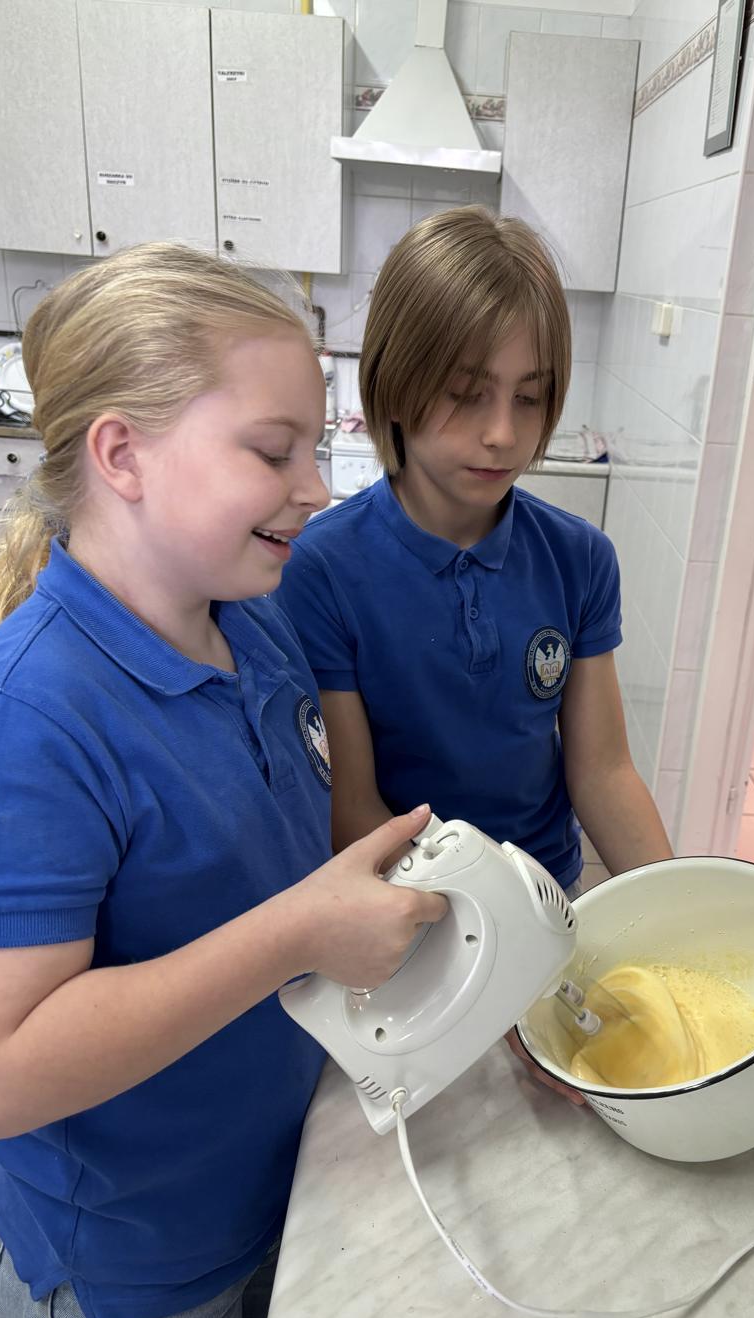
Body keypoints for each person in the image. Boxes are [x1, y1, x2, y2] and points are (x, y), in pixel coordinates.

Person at [0, 242, 445, 1318]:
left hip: (273, 1189)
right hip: (132, 1277)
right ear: (122, 455)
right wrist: (297, 933)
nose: (317, 488)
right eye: (273, 451)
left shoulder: (256, 624)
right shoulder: (33, 714)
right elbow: (2, 1070)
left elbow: (291, 859)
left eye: (313, 447)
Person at [275, 205, 673, 906]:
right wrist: (483, 922)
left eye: (530, 397)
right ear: (395, 385)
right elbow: (355, 809)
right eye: (466, 394)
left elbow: (603, 773)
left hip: (549, 893)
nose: (502, 433)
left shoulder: (579, 558)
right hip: (410, 904)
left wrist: (677, 912)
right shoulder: (321, 570)